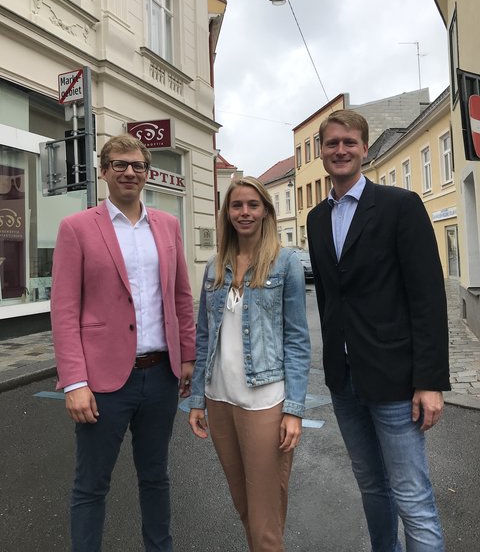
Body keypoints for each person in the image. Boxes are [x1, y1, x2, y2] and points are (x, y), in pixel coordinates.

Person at [307, 109, 450, 551]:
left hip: (395, 379)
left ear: (365, 149)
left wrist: (429, 382)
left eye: (349, 142)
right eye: (332, 143)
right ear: (321, 154)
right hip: (344, 380)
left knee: (412, 496)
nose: (341, 150)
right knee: (372, 489)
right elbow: (331, 299)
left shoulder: (399, 206)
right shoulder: (317, 218)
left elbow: (427, 298)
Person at [50, 134, 196, 552]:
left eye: (137, 165)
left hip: (161, 377)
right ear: (104, 171)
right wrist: (74, 381)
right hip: (102, 382)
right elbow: (63, 309)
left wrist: (187, 356)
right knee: (91, 485)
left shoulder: (167, 225)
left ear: (147, 173)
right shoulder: (77, 227)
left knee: (156, 476)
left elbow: (181, 296)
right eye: (119, 165)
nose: (129, 172)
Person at [188, 176, 310, 552]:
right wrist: (196, 400)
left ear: (265, 212)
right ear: (227, 212)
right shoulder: (215, 266)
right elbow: (204, 336)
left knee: (265, 512)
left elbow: (297, 339)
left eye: (252, 205)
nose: (244, 212)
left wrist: (294, 410)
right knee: (243, 503)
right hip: (219, 398)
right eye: (237, 205)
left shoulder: (284, 263)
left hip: (264, 401)